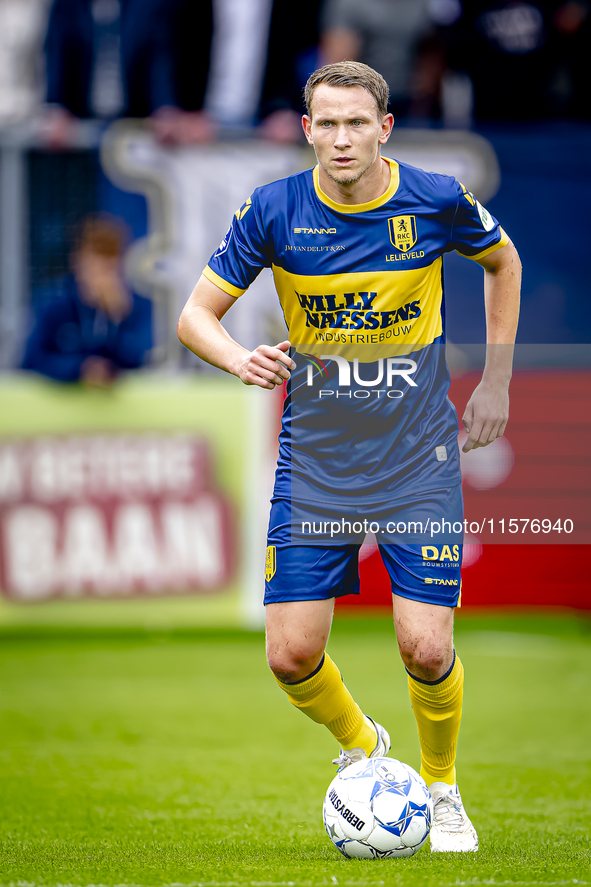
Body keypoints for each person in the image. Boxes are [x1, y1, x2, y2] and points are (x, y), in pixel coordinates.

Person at [177, 61, 521, 852]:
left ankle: (440, 791)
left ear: (383, 128)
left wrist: (495, 382)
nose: (340, 138)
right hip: (318, 458)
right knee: (291, 654)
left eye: (355, 123)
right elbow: (197, 316)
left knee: (425, 644)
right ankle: (367, 751)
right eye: (325, 123)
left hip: (416, 455)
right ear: (306, 130)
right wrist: (238, 359)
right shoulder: (273, 210)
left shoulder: (433, 199)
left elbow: (502, 262)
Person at [22, 214, 152, 384]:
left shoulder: (134, 307)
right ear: (77, 260)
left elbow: (141, 362)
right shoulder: (55, 305)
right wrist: (80, 369)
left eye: (109, 264)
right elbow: (32, 361)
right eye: (95, 261)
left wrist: (118, 318)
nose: (101, 274)